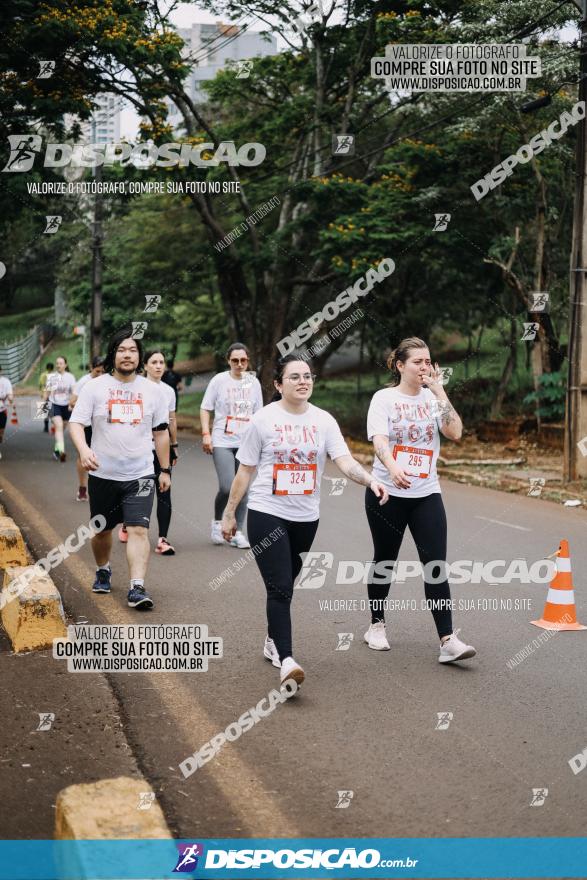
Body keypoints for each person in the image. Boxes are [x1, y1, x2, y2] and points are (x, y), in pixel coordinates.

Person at [221, 354, 389, 688]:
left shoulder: (323, 421)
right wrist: (229, 514)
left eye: (307, 376)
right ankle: (287, 660)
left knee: (286, 584)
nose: (303, 381)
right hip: (266, 512)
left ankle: (272, 639)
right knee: (280, 586)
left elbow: (344, 460)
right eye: (294, 376)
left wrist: (371, 480)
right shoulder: (263, 420)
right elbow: (245, 470)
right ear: (278, 384)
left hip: (306, 518)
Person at [364, 336, 476, 663]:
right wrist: (392, 465)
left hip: (426, 493)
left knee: (435, 565)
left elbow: (455, 432)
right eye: (418, 362)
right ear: (400, 365)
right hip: (387, 493)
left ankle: (447, 640)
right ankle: (376, 624)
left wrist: (440, 390)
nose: (424, 367)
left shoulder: (432, 399)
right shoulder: (383, 399)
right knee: (385, 559)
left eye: (428, 361)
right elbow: (380, 440)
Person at [69, 325, 171, 609]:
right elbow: (76, 423)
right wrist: (84, 449)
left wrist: (164, 470)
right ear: (113, 354)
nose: (128, 355)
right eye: (122, 350)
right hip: (103, 474)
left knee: (138, 529)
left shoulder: (153, 392)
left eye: (133, 350)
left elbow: (161, 432)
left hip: (140, 473)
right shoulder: (95, 388)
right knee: (101, 531)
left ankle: (137, 587)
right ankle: (103, 569)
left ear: (140, 357)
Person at [201, 343, 263, 549]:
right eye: (235, 360)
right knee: (227, 487)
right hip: (222, 441)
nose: (239, 364)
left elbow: (259, 415)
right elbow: (205, 408)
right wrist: (206, 434)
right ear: (228, 360)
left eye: (243, 360)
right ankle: (218, 522)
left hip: (246, 443)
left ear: (248, 361)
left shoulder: (254, 383)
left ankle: (238, 532)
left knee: (244, 490)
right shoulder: (219, 380)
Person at [119, 349, 178, 555]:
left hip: (161, 450)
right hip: (139, 450)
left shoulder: (169, 391)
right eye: (154, 362)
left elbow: (171, 420)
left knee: (164, 492)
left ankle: (163, 539)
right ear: (145, 366)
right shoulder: (135, 389)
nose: (159, 366)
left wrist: (175, 445)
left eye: (162, 362)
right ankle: (128, 523)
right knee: (140, 491)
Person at [69, 356, 105, 501]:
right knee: (84, 456)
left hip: (101, 425)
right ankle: (83, 487)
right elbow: (71, 402)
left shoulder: (108, 382)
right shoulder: (84, 382)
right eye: (98, 371)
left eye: (103, 371)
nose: (100, 375)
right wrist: (87, 401)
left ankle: (101, 488)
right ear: (91, 367)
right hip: (86, 426)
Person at [43, 356, 76, 462]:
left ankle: (57, 451)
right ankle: (62, 451)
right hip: (54, 404)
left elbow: (74, 392)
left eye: (61, 363)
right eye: (57, 363)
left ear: (65, 365)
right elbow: (46, 393)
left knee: (62, 428)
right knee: (59, 426)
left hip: (66, 405)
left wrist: (72, 404)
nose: (58, 365)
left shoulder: (70, 377)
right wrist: (44, 409)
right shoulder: (52, 377)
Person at [0, 366, 14, 459]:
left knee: (0, 433)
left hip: (2, 410)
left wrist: (10, 397)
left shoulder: (5, 381)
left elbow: (10, 394)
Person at [39, 362, 53, 432]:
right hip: (52, 395)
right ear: (52, 368)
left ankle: (46, 427)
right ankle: (54, 426)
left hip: (45, 395)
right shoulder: (54, 375)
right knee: (53, 411)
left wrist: (41, 393)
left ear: (46, 367)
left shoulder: (42, 375)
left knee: (45, 411)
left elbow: (40, 385)